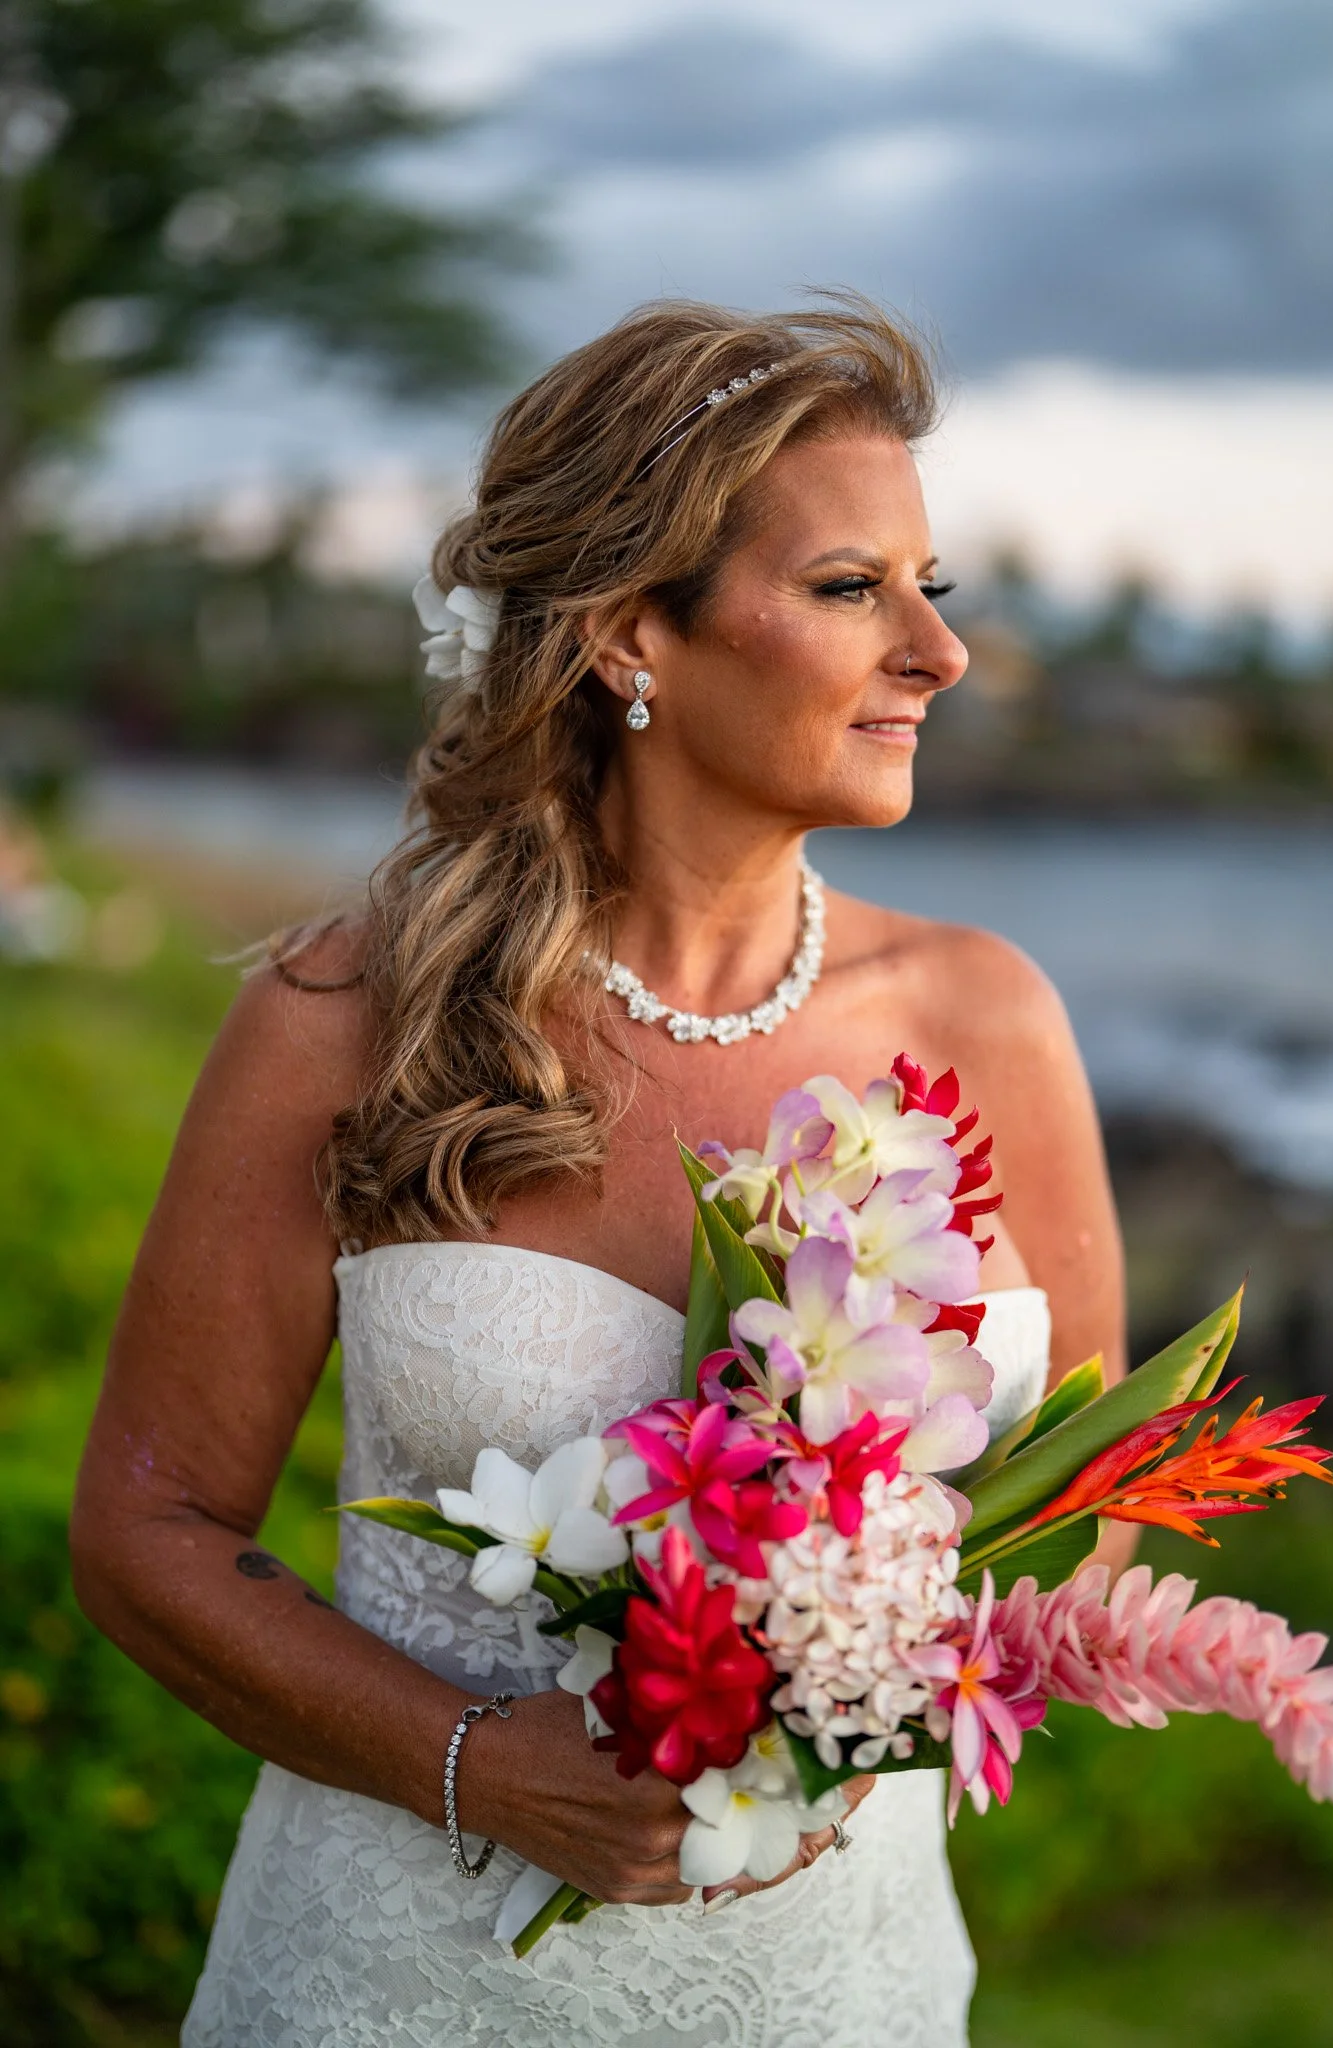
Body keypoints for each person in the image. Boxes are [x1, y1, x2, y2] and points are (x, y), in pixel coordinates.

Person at [72, 297, 1126, 2047]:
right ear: (635, 628)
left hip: (838, 1992)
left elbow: (1079, 1535)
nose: (939, 652)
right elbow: (148, 1536)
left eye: (939, 587)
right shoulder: (347, 1021)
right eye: (858, 587)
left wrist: (857, 1663)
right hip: (398, 1992)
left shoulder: (987, 1023)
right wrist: (481, 1767)